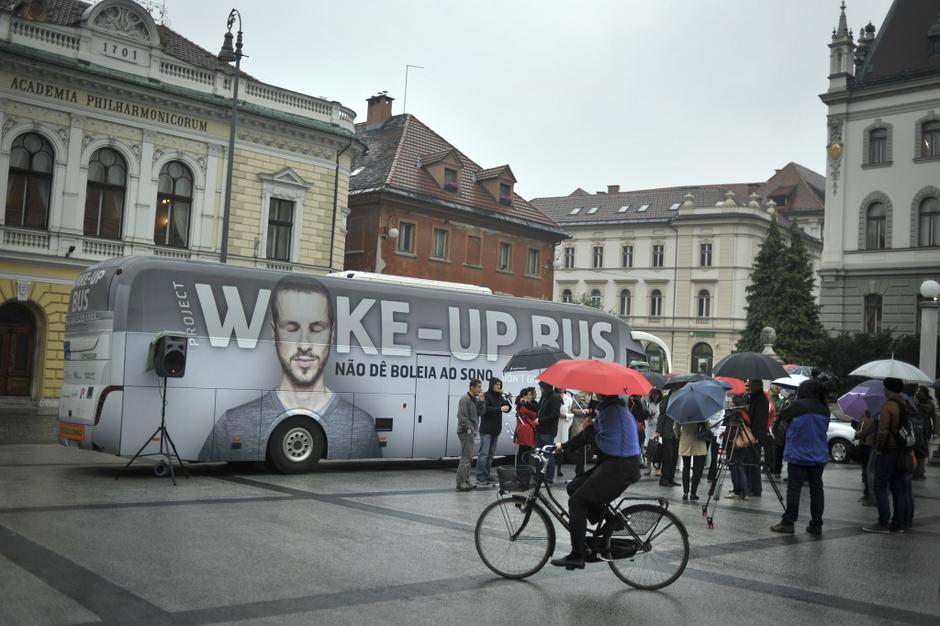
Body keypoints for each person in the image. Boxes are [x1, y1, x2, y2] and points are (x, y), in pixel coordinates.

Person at [200, 275, 380, 462]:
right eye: (292, 329)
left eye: (317, 329)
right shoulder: (231, 423)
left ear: (332, 334)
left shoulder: (363, 426)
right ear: (274, 332)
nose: (304, 344)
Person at [550, 394, 641, 570]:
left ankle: (577, 555)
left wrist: (589, 429)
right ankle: (612, 520)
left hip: (619, 469)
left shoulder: (613, 412)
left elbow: (600, 444)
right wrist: (564, 446)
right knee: (573, 487)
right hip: (614, 465)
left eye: (598, 392)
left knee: (577, 502)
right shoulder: (610, 410)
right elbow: (587, 436)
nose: (596, 394)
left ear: (604, 394)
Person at [770, 377, 831, 535]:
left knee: (794, 489)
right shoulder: (824, 408)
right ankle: (816, 524)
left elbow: (781, 422)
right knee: (816, 489)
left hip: (798, 454)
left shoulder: (797, 406)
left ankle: (788, 522)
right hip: (818, 454)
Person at [862, 377, 908, 533]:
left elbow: (883, 431)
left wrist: (879, 447)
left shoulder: (889, 406)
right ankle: (898, 523)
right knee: (898, 487)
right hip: (901, 451)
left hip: (888, 450)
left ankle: (883, 523)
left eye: (885, 388)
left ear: (888, 389)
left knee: (880, 486)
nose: (883, 391)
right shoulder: (904, 404)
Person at [476, 378, 511, 484]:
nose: (498, 386)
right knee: (484, 454)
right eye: (496, 384)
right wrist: (499, 409)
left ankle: (486, 474)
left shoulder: (501, 396)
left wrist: (509, 401)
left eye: (499, 384)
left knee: (491, 455)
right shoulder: (486, 395)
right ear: (491, 385)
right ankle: (480, 476)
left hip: (496, 429)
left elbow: (507, 409)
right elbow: (485, 410)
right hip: (486, 429)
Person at [455, 379, 484, 491]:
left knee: (469, 458)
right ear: (472, 387)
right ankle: (460, 482)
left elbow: (481, 413)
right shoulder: (465, 399)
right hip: (465, 432)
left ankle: (466, 482)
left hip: (471, 431)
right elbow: (462, 417)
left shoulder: (475, 400)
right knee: (466, 457)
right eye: (478, 387)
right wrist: (469, 429)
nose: (480, 390)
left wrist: (481, 401)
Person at [746, 379, 770, 497]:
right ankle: (751, 487)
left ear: (757, 386)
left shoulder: (760, 400)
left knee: (753, 462)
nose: (749, 386)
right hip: (755, 434)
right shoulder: (755, 398)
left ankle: (754, 488)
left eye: (751, 385)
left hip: (756, 436)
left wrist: (754, 435)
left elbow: (759, 420)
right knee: (751, 461)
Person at [673, 418, 708, 501]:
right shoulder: (701, 412)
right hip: (699, 441)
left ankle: (685, 493)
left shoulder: (681, 412)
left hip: (685, 440)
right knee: (697, 469)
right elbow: (708, 425)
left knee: (686, 467)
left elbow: (675, 427)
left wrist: (678, 436)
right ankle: (693, 493)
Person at [535, 382, 562, 484]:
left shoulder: (555, 398)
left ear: (546, 388)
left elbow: (554, 415)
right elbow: (539, 408)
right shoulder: (544, 397)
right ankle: (538, 475)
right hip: (540, 429)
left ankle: (549, 477)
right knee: (538, 453)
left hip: (548, 431)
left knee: (547, 454)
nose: (540, 390)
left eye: (541, 388)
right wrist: (527, 403)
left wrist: (540, 420)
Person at [654, 393, 680, 487]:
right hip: (667, 432)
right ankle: (664, 479)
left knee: (674, 456)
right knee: (668, 456)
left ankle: (670, 478)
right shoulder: (666, 399)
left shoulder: (680, 399)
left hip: (676, 433)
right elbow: (661, 415)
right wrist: (658, 431)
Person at [854, 409, 877, 504]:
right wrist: (858, 433)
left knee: (870, 472)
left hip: (871, 447)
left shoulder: (875, 418)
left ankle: (872, 497)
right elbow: (858, 429)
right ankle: (867, 494)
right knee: (865, 471)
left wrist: (861, 434)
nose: (867, 408)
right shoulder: (863, 417)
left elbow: (869, 431)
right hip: (863, 446)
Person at [912, 386, 935, 480]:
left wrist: (935, 432)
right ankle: (916, 471)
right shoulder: (915, 403)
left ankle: (919, 472)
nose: (918, 394)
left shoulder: (929, 404)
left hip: (925, 431)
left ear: (925, 394)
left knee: (922, 452)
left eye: (920, 392)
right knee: (916, 451)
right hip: (915, 430)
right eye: (918, 392)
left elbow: (934, 418)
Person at [513, 387, 538, 466]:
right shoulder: (522, 405)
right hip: (525, 430)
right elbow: (533, 415)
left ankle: (524, 471)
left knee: (525, 452)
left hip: (527, 430)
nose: (531, 396)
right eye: (529, 395)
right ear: (524, 396)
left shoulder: (528, 404)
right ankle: (523, 472)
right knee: (524, 452)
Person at [556, 390, 575, 478]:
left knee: (561, 448)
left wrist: (565, 416)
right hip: (553, 426)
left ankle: (559, 469)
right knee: (551, 448)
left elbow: (573, 413)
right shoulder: (553, 397)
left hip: (563, 426)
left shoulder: (569, 399)